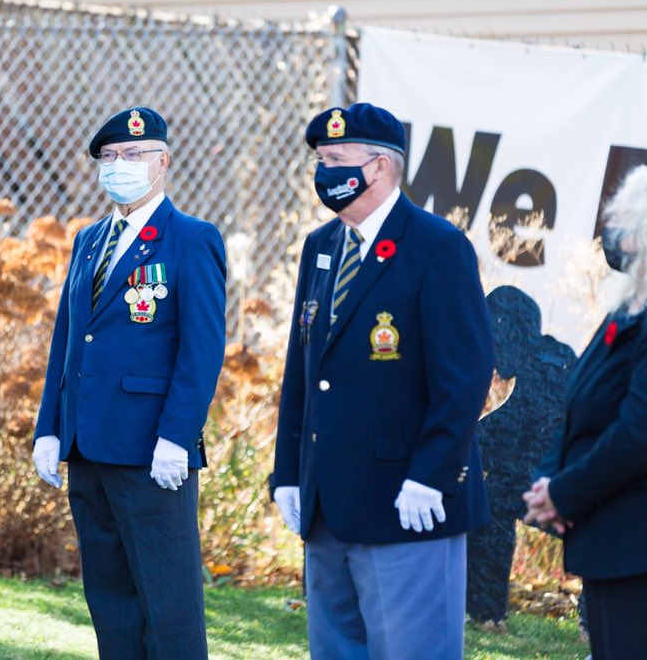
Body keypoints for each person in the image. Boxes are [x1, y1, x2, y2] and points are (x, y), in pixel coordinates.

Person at [270, 102, 494, 659]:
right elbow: (303, 373)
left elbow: (464, 378)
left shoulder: (436, 247)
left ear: (378, 167)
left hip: (406, 499)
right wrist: (288, 473)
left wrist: (431, 475)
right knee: (336, 648)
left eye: (337, 159)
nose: (324, 172)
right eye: (320, 159)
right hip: (327, 502)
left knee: (410, 649)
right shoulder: (322, 248)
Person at [31, 107, 226, 659]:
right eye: (111, 157)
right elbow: (67, 343)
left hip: (151, 450)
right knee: (111, 602)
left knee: (170, 605)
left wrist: (177, 438)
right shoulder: (89, 240)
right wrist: (50, 427)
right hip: (88, 445)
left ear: (163, 161)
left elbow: (201, 350)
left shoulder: (191, 239)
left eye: (135, 155)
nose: (121, 165)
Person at [524, 164, 647, 660]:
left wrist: (565, 494)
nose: (613, 232)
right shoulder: (628, 309)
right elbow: (582, 403)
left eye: (622, 219)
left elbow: (637, 434)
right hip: (612, 542)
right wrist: (550, 483)